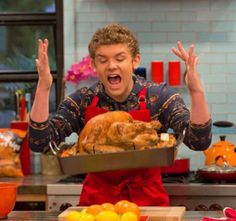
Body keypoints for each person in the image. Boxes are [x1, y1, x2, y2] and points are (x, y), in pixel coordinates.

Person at [28, 23, 212, 206]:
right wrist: (43, 87)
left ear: (135, 61)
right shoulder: (82, 101)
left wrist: (197, 92)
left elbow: (198, 141)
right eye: (103, 60)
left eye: (120, 58)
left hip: (148, 203)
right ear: (93, 65)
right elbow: (40, 143)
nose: (111, 66)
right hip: (96, 205)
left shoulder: (159, 97)